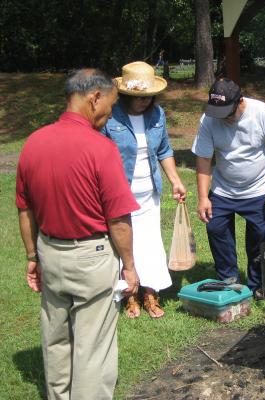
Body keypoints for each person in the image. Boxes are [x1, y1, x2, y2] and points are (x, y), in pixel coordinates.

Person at [16, 69, 140, 399]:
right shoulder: (101, 149)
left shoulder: (33, 143)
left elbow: (24, 209)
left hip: (49, 252)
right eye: (111, 104)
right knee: (93, 345)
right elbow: (118, 219)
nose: (111, 112)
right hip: (91, 257)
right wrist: (129, 266)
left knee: (55, 338)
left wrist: (32, 255)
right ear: (94, 98)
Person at [191, 77, 265, 298]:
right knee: (216, 229)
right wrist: (203, 197)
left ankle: (258, 285)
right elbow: (204, 158)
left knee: (259, 237)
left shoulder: (262, 113)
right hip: (223, 189)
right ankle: (229, 280)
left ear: (240, 101)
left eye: (227, 112)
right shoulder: (208, 119)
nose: (223, 118)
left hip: (258, 189)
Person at [102, 61, 186, 318]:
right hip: (119, 195)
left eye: (149, 96)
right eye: (140, 97)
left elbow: (164, 150)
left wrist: (175, 180)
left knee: (150, 244)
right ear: (126, 94)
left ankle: (150, 294)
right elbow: (99, 155)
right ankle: (129, 295)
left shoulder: (157, 114)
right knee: (124, 245)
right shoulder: (109, 116)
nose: (145, 101)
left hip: (149, 194)